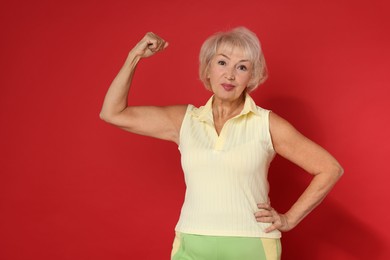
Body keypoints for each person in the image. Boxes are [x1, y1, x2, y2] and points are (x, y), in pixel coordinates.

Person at [100, 27, 343, 260]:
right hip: (192, 242)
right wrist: (135, 56)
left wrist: (289, 218)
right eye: (222, 62)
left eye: (242, 67)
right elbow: (112, 113)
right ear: (207, 69)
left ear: (252, 76)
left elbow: (329, 168)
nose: (230, 74)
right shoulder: (185, 120)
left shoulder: (266, 123)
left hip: (251, 246)